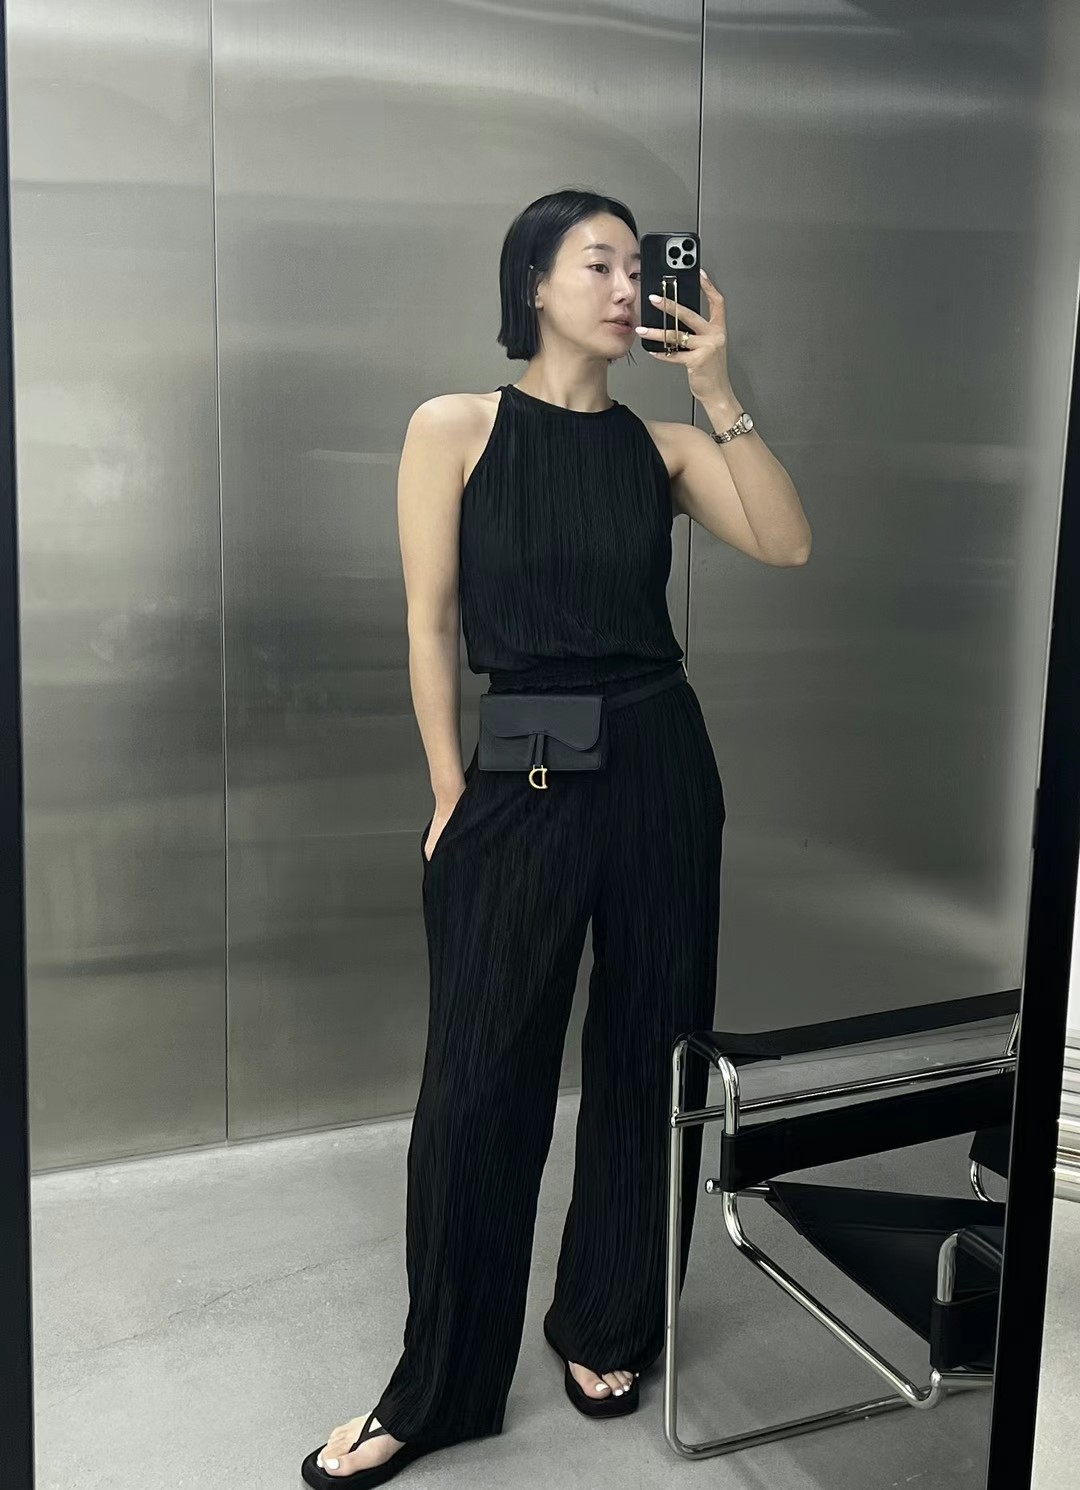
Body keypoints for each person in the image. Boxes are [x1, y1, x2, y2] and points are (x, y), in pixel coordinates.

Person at [302, 187, 810, 1487]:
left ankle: (606, 1320)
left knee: (650, 1051)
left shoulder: (665, 448)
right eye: (601, 263)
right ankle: (438, 1383)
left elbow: (788, 541)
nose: (628, 287)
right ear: (533, 281)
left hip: (659, 757)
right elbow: (428, 621)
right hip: (520, 762)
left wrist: (718, 385)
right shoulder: (455, 428)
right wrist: (447, 787)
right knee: (480, 1082)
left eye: (641, 268)